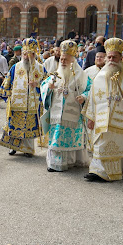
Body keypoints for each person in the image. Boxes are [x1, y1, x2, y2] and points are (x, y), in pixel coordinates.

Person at [82, 38, 123, 182]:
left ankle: (117, 171)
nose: (111, 60)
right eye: (109, 57)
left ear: (122, 57)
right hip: (102, 118)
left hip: (120, 119)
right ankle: (98, 171)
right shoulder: (100, 75)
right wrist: (91, 118)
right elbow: (92, 98)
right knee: (100, 144)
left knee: (118, 145)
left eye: (114, 57)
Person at [40, 40, 91, 172]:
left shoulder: (83, 76)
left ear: (73, 60)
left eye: (65, 59)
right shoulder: (55, 75)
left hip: (74, 113)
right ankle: (55, 163)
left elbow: (90, 89)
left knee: (73, 138)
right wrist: (48, 88)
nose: (62, 62)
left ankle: (73, 161)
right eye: (61, 59)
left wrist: (84, 97)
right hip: (56, 115)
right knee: (57, 137)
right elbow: (43, 86)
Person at [0, 38, 46, 157]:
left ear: (34, 54)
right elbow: (8, 81)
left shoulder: (40, 68)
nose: (25, 56)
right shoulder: (16, 67)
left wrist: (37, 84)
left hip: (32, 105)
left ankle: (28, 149)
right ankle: (13, 147)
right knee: (14, 125)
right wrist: (7, 96)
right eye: (24, 54)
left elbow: (47, 84)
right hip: (16, 103)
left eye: (28, 54)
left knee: (29, 128)